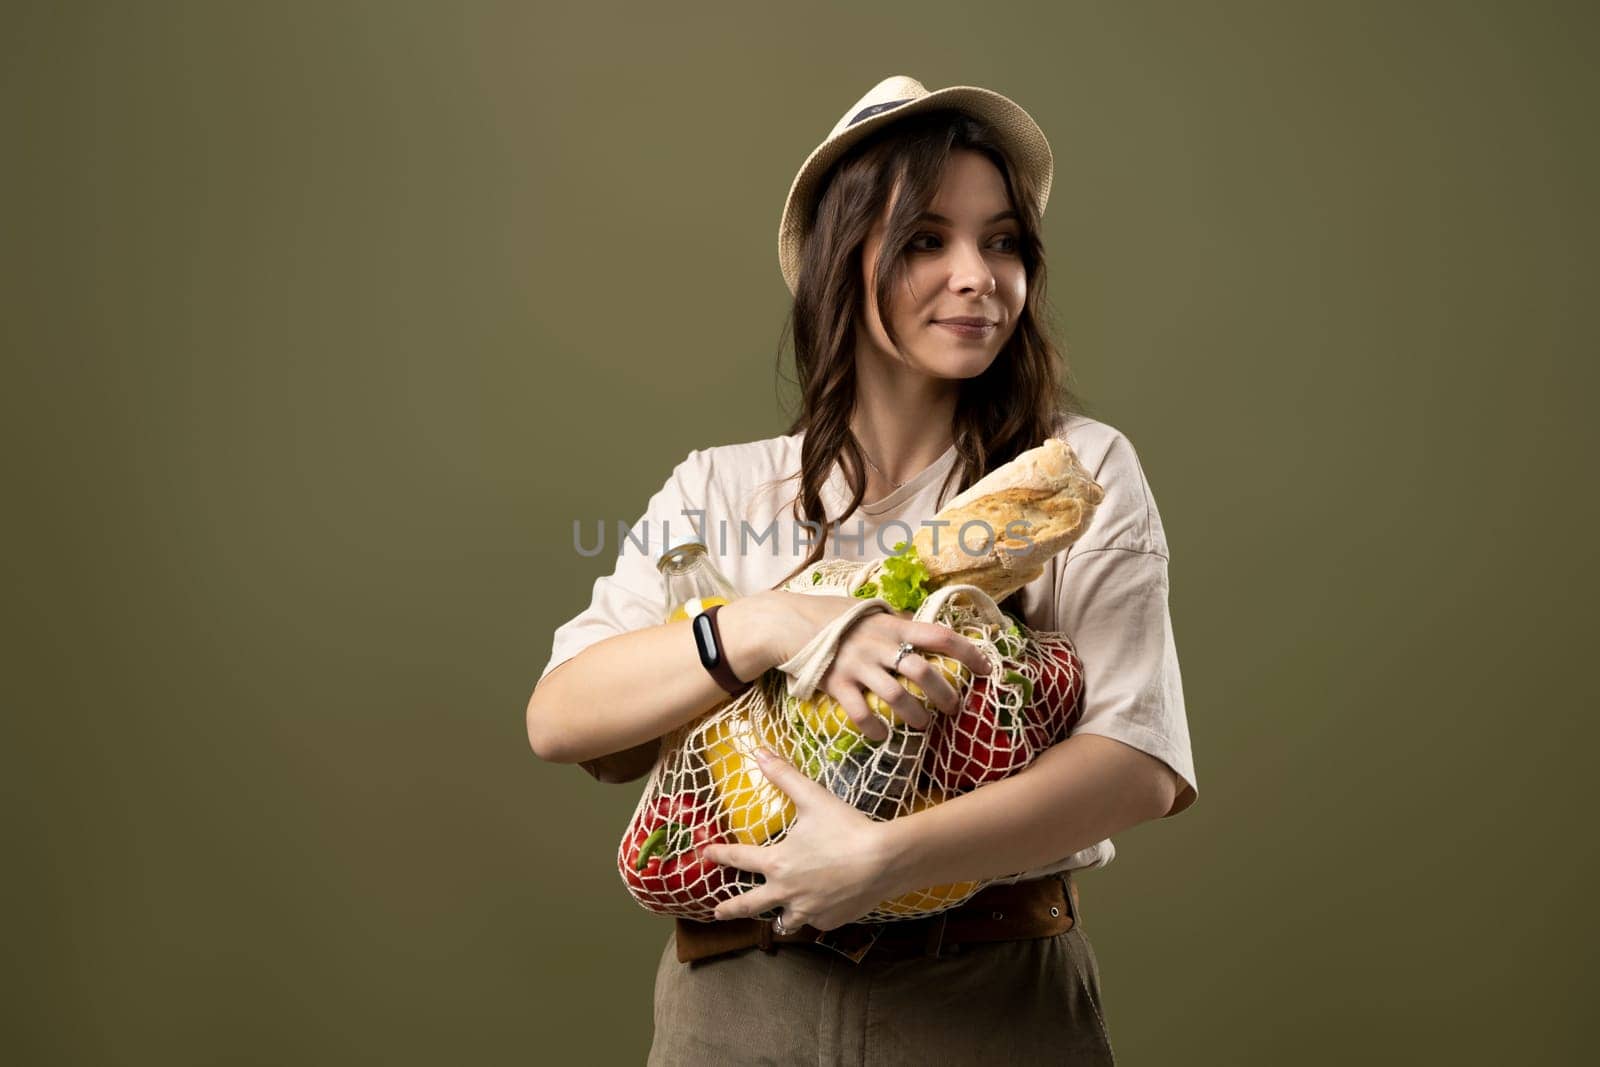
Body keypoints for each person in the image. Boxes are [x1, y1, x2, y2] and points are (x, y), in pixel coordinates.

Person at [525, 74, 1198, 1065]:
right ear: (844, 265)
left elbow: (1140, 762)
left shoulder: (1071, 473)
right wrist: (772, 624)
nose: (977, 274)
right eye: (926, 239)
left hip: (989, 994)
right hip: (738, 1003)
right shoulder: (720, 489)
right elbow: (561, 715)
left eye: (1002, 239)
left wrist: (883, 859)